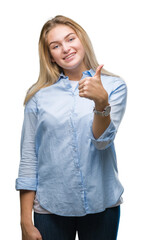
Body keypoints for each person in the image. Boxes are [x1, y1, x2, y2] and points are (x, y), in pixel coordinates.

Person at [15, 15, 127, 240]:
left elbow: (102, 141)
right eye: (55, 46)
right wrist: (25, 221)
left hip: (102, 205)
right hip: (50, 207)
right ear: (51, 56)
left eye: (70, 39)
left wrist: (101, 103)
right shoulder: (38, 96)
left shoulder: (114, 87)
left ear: (82, 40)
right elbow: (29, 157)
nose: (65, 48)